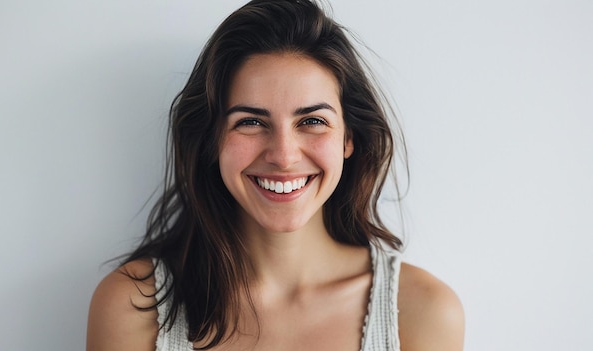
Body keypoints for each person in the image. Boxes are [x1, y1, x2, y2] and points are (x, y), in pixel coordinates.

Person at [86, 0, 464, 350]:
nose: (283, 156)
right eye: (250, 122)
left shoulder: (424, 312)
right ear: (211, 139)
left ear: (348, 137)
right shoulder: (134, 306)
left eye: (313, 121)